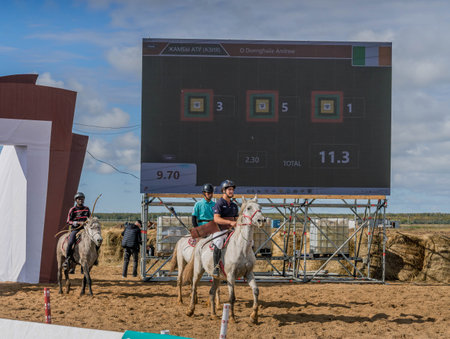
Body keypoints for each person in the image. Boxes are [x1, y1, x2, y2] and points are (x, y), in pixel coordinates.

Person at [212, 179, 239, 277]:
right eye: (229, 189)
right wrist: (230, 222)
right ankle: (215, 267)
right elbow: (216, 219)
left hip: (232, 231)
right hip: (221, 230)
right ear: (224, 191)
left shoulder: (234, 205)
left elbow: (237, 219)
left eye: (232, 189)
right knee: (219, 242)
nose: (231, 191)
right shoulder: (219, 203)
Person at [63, 192, 91, 270]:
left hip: (85, 229)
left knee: (94, 240)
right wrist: (78, 223)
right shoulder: (72, 209)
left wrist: (88, 222)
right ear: (76, 200)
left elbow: (90, 219)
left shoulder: (87, 209)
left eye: (82, 199)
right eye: (79, 199)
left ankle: (94, 258)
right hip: (76, 230)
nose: (81, 200)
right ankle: (67, 259)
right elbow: (68, 221)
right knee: (70, 242)